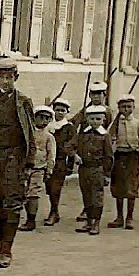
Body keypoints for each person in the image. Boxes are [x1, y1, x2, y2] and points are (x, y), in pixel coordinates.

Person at [0, 61, 36, 269]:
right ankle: (1, 248)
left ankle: (7, 250)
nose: (5, 81)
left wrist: (29, 162)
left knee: (12, 203)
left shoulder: (23, 102)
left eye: (9, 77)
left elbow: (30, 134)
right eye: (2, 77)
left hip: (14, 158)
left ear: (15, 78)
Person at [70, 81, 113, 223]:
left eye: (99, 94)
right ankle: (87, 213)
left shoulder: (106, 110)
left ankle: (94, 219)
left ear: (104, 95)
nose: (96, 97)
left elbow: (106, 126)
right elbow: (75, 121)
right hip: (84, 145)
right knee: (87, 191)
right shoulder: (86, 110)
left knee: (96, 192)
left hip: (98, 149)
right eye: (93, 94)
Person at [107, 95, 139, 230]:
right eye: (123, 106)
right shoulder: (116, 123)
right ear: (119, 108)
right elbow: (109, 137)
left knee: (131, 187)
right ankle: (119, 217)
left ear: (134, 107)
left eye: (129, 106)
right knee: (119, 187)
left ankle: (129, 218)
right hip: (119, 157)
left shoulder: (138, 123)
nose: (126, 109)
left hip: (132, 158)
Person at [20, 106, 56, 232]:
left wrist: (49, 169)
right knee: (24, 193)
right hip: (25, 168)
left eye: (47, 118)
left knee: (33, 194)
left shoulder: (49, 136)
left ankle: (31, 220)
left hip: (39, 169)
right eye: (41, 117)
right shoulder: (28, 133)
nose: (44, 121)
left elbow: (51, 154)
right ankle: (27, 217)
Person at [45, 98, 76, 226]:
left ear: (67, 112)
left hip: (60, 162)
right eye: (57, 110)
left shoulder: (68, 127)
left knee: (55, 188)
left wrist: (70, 166)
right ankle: (54, 211)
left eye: (63, 110)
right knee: (48, 187)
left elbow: (72, 147)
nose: (60, 113)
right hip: (48, 161)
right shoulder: (48, 126)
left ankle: (54, 212)